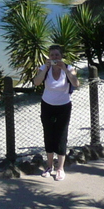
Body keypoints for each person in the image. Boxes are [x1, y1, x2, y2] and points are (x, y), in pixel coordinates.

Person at [34, 46, 78, 180]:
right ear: (48, 57)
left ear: (61, 56)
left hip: (64, 106)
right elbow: (36, 82)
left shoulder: (69, 68)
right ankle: (49, 166)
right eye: (52, 55)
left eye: (57, 55)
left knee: (61, 135)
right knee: (48, 134)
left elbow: (76, 83)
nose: (54, 58)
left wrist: (65, 69)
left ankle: (60, 168)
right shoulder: (43, 68)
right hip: (47, 105)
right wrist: (45, 68)